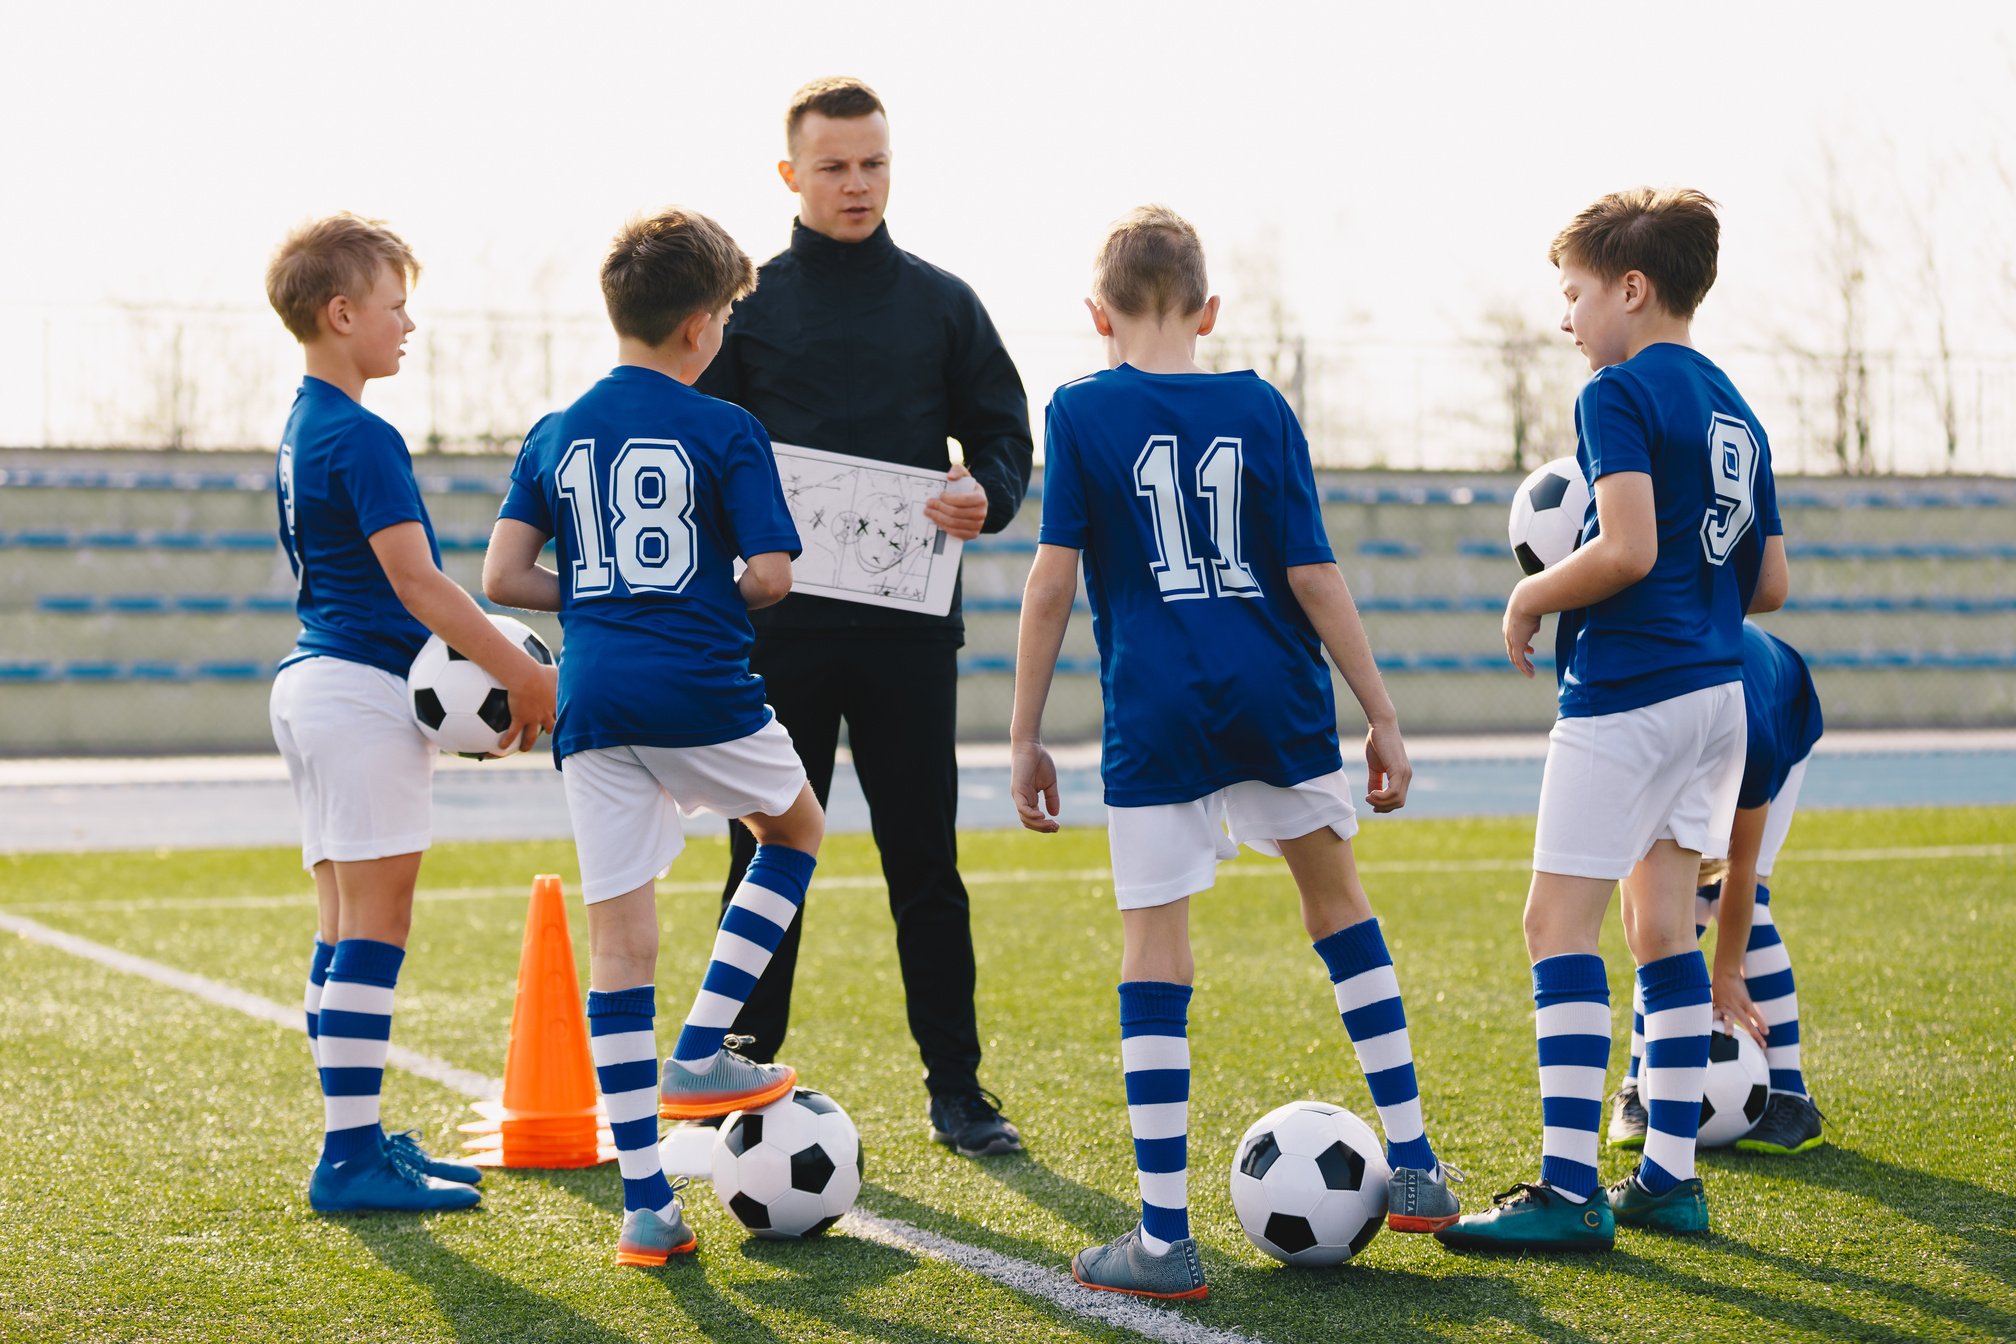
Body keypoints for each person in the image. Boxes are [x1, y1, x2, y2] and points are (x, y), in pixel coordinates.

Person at [1011, 205, 1459, 1300]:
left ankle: (1164, 1239)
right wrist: (1382, 713)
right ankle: (1416, 1166)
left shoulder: (1077, 409)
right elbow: (1314, 573)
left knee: (1156, 953)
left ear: (1096, 317)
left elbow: (1053, 581)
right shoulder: (1259, 405)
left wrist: (1024, 734)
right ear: (1210, 311)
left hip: (1155, 709)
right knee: (1340, 908)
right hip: (1276, 692)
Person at [1438, 189, 1790, 1252]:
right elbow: (1769, 580)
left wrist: (1531, 594)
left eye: (1575, 294)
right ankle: (1669, 1179)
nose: (1567, 319)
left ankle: (1565, 1186)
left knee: (1557, 927)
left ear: (1631, 290)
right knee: (1661, 934)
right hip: (1717, 697)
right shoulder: (1739, 408)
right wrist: (1697, 596)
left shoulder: (1616, 391)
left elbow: (1627, 548)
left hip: (1628, 695)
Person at [692, 76, 1034, 1158]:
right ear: (790, 174)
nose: (856, 183)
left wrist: (986, 490)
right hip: (779, 633)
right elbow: (700, 437)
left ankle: (959, 1090)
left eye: (873, 163)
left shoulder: (944, 303)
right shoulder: (748, 306)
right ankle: (735, 1070)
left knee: (923, 862)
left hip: (905, 635)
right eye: (834, 165)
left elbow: (1003, 437)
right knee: (763, 857)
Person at [483, 208, 827, 1266]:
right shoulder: (724, 429)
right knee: (795, 830)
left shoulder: (556, 429)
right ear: (698, 327)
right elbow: (771, 574)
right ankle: (698, 1049)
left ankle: (646, 1211)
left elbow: (501, 578)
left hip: (591, 699)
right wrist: (695, 590)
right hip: (696, 685)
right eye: (725, 311)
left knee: (621, 946)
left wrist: (597, 602)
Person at [264, 214, 557, 1213]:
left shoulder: (303, 424)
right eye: (395, 307)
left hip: (312, 686)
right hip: (355, 694)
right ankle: (347, 1159)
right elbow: (421, 584)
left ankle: (354, 1139)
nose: (408, 326)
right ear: (342, 314)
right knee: (376, 926)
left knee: (343, 926)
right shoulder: (362, 432)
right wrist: (523, 676)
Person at [1610, 619, 1826, 1154]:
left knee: (1748, 906)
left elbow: (1743, 865)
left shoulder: (1752, 733)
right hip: (1685, 721)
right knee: (1675, 911)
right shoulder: (1630, 726)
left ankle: (1792, 1096)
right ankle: (1637, 1084)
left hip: (1781, 703)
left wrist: (1726, 972)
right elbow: (1638, 897)